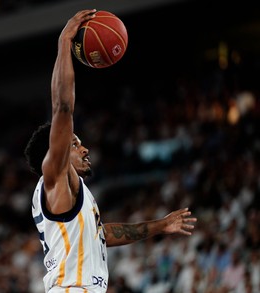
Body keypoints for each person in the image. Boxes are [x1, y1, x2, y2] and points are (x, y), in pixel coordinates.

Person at [24, 9, 197, 293]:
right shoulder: (55, 175)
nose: (85, 148)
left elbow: (101, 234)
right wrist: (64, 41)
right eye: (75, 144)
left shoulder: (68, 194)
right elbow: (62, 107)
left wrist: (160, 225)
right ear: (56, 152)